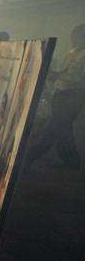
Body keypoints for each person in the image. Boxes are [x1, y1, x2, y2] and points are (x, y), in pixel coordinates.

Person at [28, 23, 85, 169]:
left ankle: (31, 155)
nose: (72, 39)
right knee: (64, 129)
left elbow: (79, 78)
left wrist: (57, 75)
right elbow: (63, 72)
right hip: (61, 95)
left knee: (53, 128)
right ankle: (72, 160)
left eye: (76, 36)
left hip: (72, 96)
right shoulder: (72, 53)